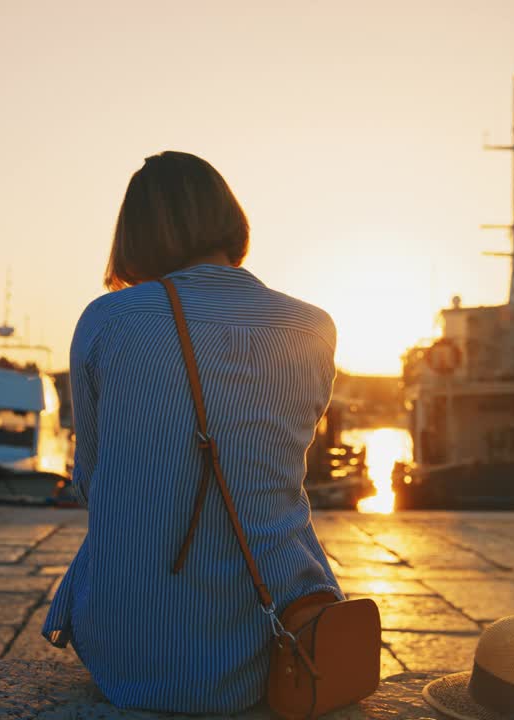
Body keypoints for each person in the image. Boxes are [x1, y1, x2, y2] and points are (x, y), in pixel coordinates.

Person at [42, 151, 344, 713]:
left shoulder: (110, 320)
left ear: (135, 234)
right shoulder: (313, 326)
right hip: (280, 643)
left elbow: (91, 478)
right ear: (230, 218)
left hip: (132, 656)